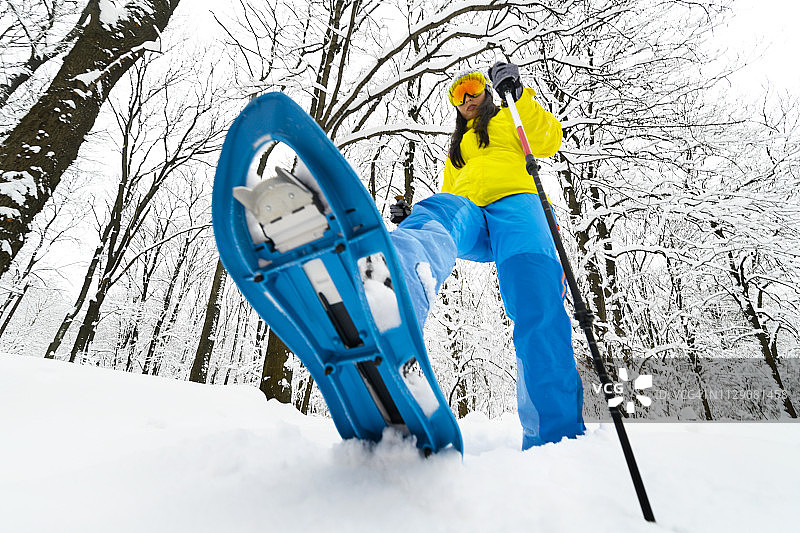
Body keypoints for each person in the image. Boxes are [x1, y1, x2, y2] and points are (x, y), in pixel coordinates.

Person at [388, 62, 585, 450]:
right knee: (438, 211)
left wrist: (519, 94)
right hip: (471, 212)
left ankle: (554, 439)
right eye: (456, 96)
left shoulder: (510, 118)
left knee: (537, 307)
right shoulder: (458, 149)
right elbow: (451, 190)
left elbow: (550, 139)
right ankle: (392, 288)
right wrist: (412, 215)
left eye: (472, 88)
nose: (465, 99)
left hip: (518, 209)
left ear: (488, 91)